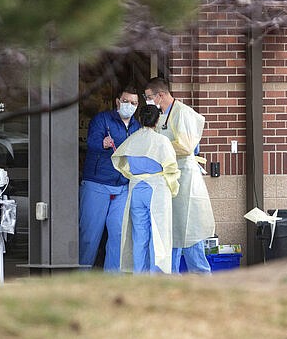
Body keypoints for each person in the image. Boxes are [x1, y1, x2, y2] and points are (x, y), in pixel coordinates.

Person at [144, 77, 215, 274]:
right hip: (170, 180)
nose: (147, 101)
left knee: (189, 233)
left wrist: (160, 148)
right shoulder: (162, 115)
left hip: (185, 181)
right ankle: (169, 280)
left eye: (149, 97)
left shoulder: (183, 113)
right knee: (172, 233)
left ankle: (202, 278)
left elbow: (186, 145)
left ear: (160, 95)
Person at [112, 105, 180, 274]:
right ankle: (155, 276)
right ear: (157, 121)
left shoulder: (132, 140)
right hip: (157, 189)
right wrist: (173, 188)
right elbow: (171, 168)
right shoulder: (161, 141)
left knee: (139, 235)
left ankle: (139, 275)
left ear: (140, 119)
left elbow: (122, 163)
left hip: (136, 189)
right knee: (158, 235)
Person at [79, 86, 140, 272]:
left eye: (134, 103)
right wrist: (102, 143)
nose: (129, 105)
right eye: (126, 101)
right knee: (89, 235)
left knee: (118, 234)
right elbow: (91, 142)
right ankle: (81, 275)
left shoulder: (137, 126)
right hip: (96, 184)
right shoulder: (102, 119)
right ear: (117, 102)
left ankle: (112, 278)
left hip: (122, 186)